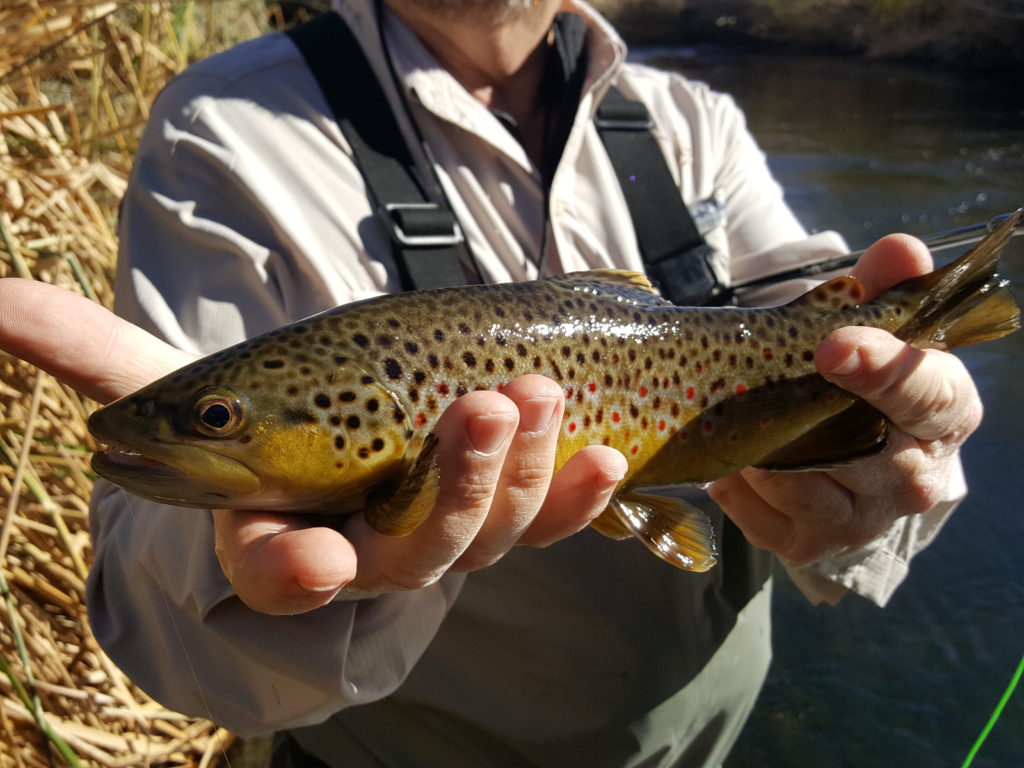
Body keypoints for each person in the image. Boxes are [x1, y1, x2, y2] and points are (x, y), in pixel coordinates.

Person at [0, 0, 982, 765]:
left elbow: (838, 383)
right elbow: (147, 606)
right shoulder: (226, 129)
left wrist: (891, 449)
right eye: (217, 417)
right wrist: (247, 580)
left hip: (706, 741)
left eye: (217, 417)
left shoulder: (693, 121)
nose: (210, 427)